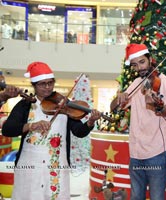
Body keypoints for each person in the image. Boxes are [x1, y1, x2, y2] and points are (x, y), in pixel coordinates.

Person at [1, 61, 101, 200]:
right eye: (43, 84)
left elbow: (79, 131)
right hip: (29, 167)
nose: (48, 87)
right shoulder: (25, 104)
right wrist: (30, 126)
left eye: (50, 83)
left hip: (57, 167)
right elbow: (8, 130)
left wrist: (90, 122)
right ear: (34, 85)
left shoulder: (63, 104)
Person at [110, 43, 166, 200]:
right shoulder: (135, 84)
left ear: (150, 60)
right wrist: (118, 97)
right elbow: (113, 108)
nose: (139, 67)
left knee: (157, 197)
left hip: (156, 152)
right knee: (136, 197)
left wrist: (158, 106)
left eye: (142, 62)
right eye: (135, 65)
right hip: (135, 152)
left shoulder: (162, 81)